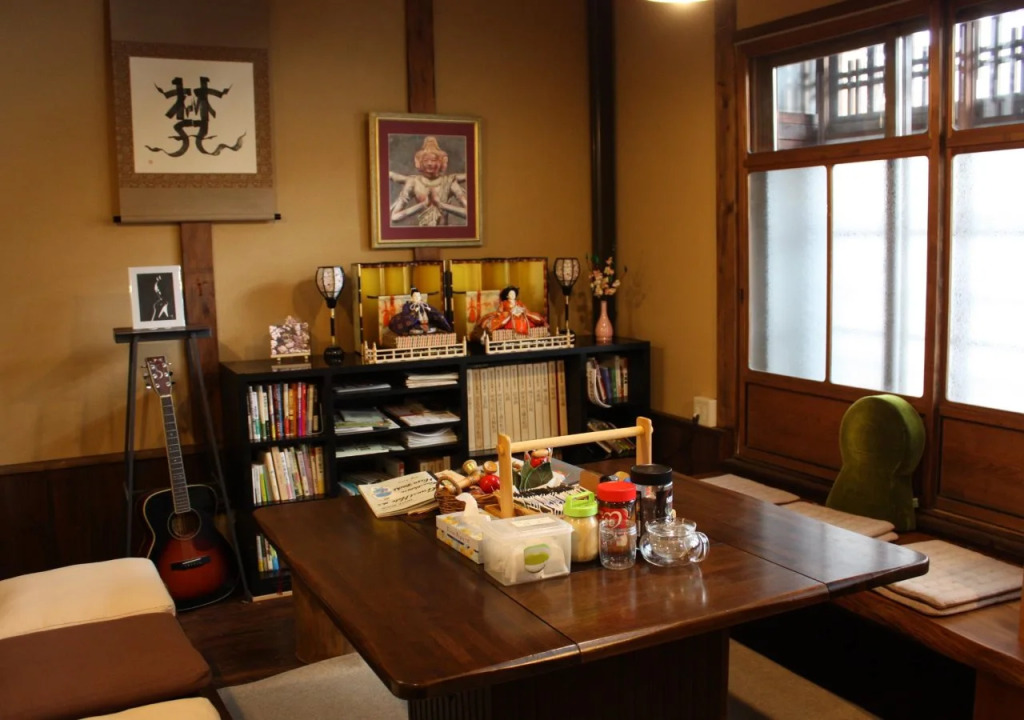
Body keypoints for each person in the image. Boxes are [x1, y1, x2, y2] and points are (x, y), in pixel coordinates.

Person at [389, 136, 468, 227]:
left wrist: (441, 205)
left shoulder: (449, 182)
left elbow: (469, 214)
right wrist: (423, 204)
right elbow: (394, 217)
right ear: (419, 163)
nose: (429, 164)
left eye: (434, 160)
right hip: (420, 233)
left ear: (442, 162)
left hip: (444, 232)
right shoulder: (413, 182)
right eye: (426, 160)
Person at [477, 286, 547, 336]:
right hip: (509, 317)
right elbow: (500, 312)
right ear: (507, 296)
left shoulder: (519, 302)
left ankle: (523, 332)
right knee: (501, 321)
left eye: (514, 293)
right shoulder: (504, 303)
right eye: (511, 294)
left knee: (534, 318)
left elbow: (525, 310)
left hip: (520, 316)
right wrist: (510, 313)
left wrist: (522, 311)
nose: (513, 295)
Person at [387, 287, 452, 336]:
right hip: (415, 325)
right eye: (415, 296)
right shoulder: (408, 306)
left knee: (432, 328)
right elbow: (405, 316)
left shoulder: (424, 305)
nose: (417, 298)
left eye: (419, 296)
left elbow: (433, 312)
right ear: (411, 298)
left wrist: (428, 310)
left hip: (426, 323)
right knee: (416, 330)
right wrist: (414, 312)